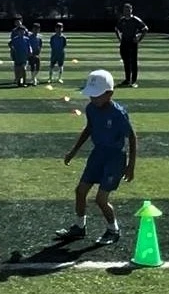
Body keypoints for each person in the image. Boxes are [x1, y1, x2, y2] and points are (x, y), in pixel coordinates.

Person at [55, 69, 137, 245]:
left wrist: (130, 166)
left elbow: (131, 137)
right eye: (91, 95)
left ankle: (113, 230)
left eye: (96, 95)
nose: (92, 98)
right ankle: (79, 227)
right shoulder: (91, 108)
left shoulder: (118, 114)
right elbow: (89, 128)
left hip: (114, 158)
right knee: (80, 191)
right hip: (97, 154)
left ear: (109, 94)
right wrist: (74, 151)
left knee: (101, 199)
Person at [115, 3, 148, 88]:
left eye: (128, 10)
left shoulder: (135, 20)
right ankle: (127, 80)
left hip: (132, 43)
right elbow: (117, 29)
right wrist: (119, 38)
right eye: (125, 10)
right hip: (124, 43)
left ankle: (133, 81)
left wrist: (139, 39)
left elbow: (145, 29)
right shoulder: (122, 20)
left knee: (133, 62)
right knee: (126, 62)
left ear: (131, 10)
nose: (127, 11)